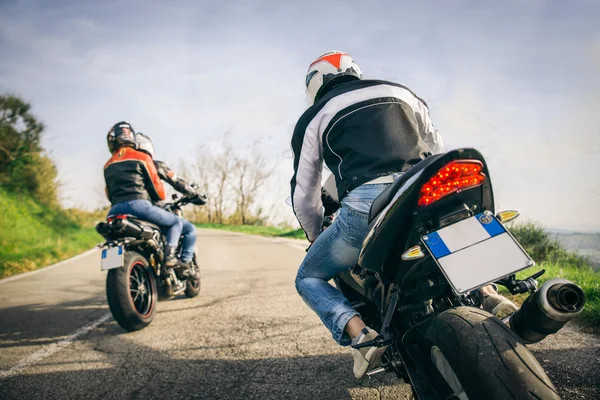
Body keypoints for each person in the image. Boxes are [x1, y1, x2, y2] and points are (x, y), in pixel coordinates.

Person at [291, 51, 516, 379]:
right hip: (423, 186)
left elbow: (304, 194)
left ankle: (362, 338)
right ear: (355, 71)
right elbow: (434, 144)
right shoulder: (400, 91)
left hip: (366, 206)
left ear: (314, 85)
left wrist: (314, 236)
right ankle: (489, 294)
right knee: (452, 229)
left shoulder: (314, 117)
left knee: (307, 278)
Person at [104, 122, 200, 271]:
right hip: (140, 206)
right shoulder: (142, 158)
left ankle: (114, 266)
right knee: (176, 223)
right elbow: (159, 191)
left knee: (113, 243)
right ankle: (170, 258)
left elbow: (108, 194)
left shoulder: (108, 165)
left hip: (114, 211)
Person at [136, 132, 205, 272]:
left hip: (127, 212)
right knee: (189, 228)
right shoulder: (154, 165)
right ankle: (184, 264)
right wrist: (193, 194)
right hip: (150, 210)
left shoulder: (123, 166)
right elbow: (177, 182)